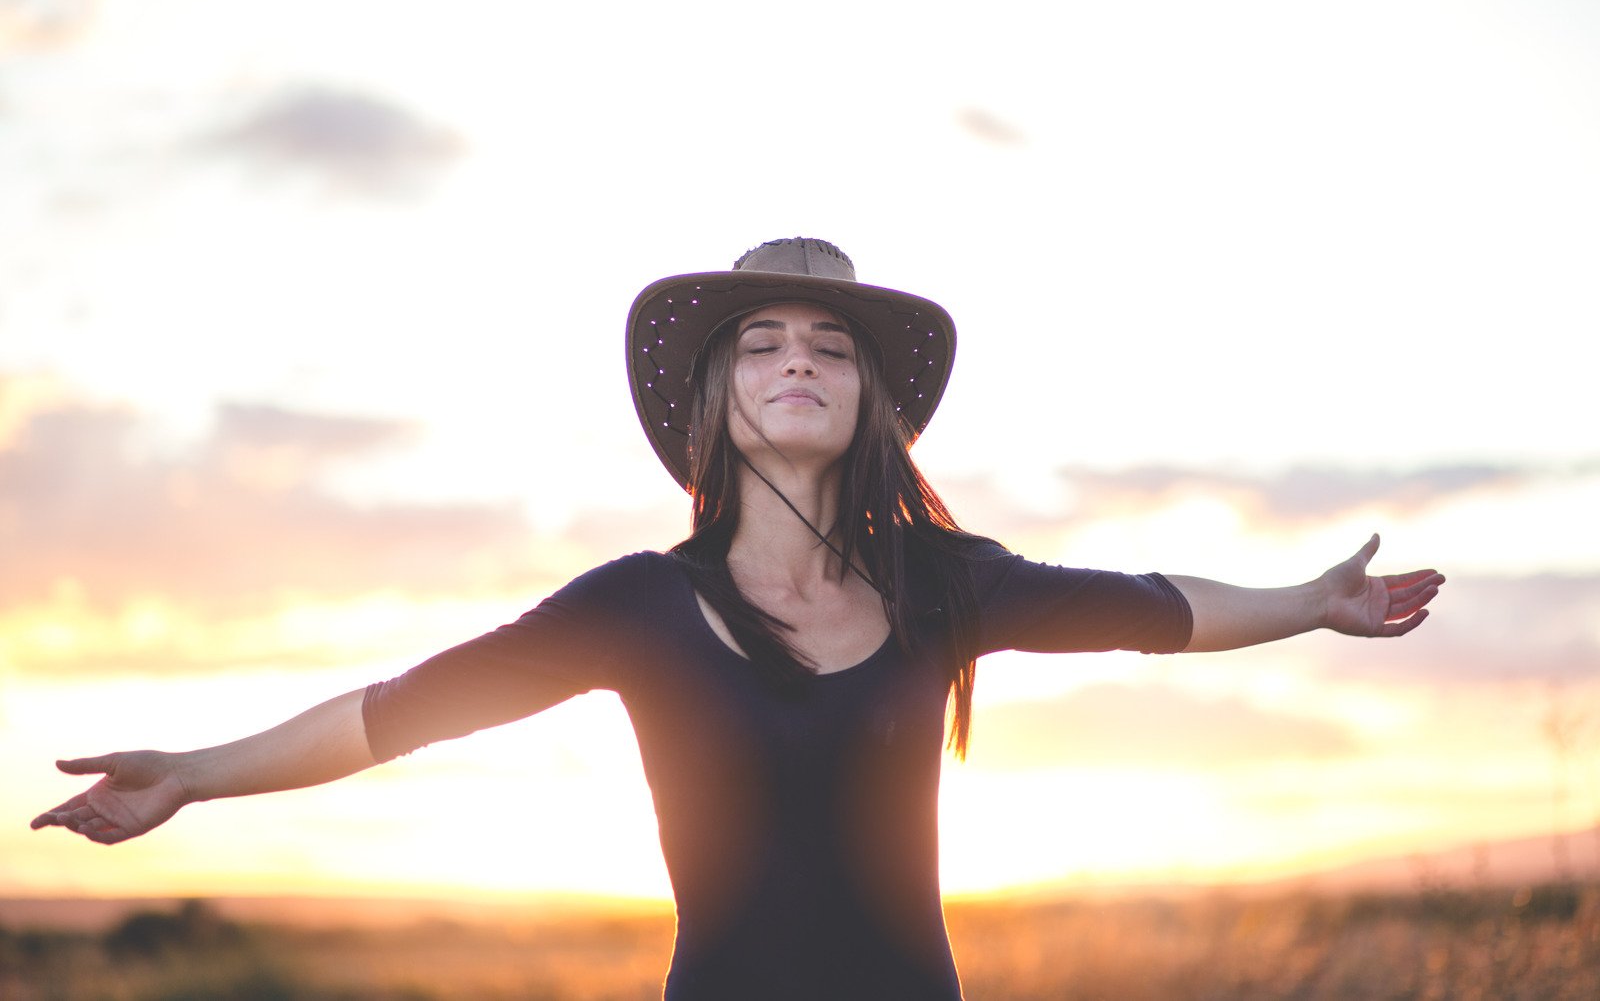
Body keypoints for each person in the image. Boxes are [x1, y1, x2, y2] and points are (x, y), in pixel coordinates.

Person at [32, 238, 1444, 1000]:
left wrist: (1311, 603)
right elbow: (398, 713)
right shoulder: (637, 606)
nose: (797, 362)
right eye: (761, 343)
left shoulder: (945, 584)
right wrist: (194, 774)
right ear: (717, 398)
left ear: (869, 402)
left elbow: (1150, 610)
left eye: (831, 347)